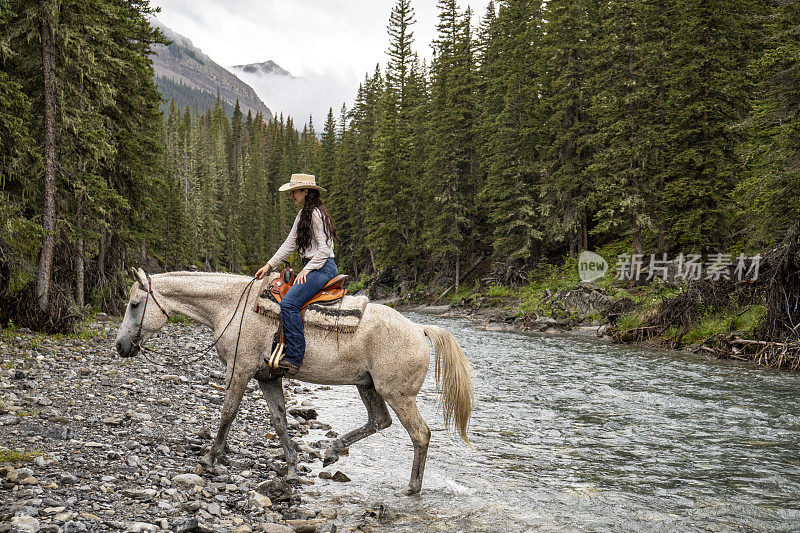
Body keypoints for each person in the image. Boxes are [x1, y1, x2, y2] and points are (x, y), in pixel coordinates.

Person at [255, 173, 338, 376]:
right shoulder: (303, 214)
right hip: (315, 265)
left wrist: (307, 270)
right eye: (291, 191)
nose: (291, 195)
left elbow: (325, 249)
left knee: (289, 303)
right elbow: (290, 244)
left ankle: (293, 357)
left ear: (305, 192)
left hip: (322, 267)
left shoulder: (316, 214)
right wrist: (269, 265)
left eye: (294, 191)